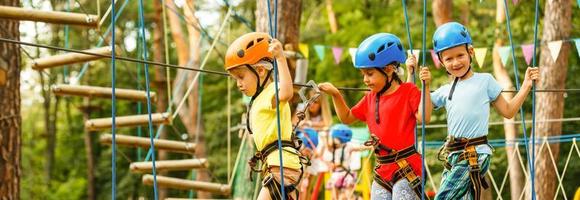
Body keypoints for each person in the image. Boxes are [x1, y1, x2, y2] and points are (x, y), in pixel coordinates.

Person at [429, 22, 540, 200]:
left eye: (460, 55)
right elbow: (421, 109)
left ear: (470, 52)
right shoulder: (444, 90)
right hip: (453, 156)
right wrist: (418, 78)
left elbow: (508, 111)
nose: (456, 62)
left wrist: (526, 86)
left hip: (476, 153)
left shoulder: (485, 81)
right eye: (449, 59)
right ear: (441, 62)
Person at [318, 33, 432, 200]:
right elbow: (347, 118)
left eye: (370, 74)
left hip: (407, 166)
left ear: (388, 69)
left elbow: (424, 117)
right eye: (363, 74)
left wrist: (426, 87)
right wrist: (336, 95)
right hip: (383, 170)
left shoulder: (408, 91)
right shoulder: (371, 98)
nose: (365, 79)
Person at [225, 32, 308, 200]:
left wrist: (281, 59)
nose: (238, 84)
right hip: (275, 165)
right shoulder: (256, 100)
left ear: (261, 70)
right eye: (235, 79)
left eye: (241, 77)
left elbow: (287, 92)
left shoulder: (272, 91)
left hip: (282, 164)